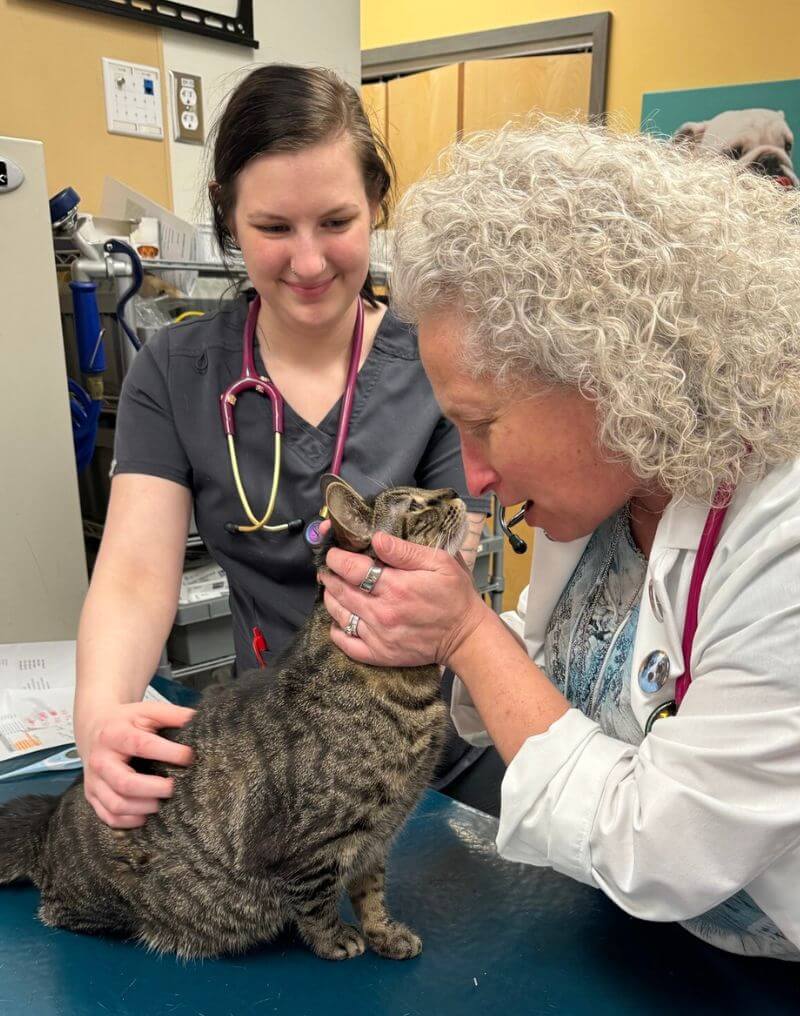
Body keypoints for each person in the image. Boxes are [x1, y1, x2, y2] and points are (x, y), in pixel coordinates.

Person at [319, 120, 800, 960]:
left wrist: (466, 633)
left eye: (482, 426)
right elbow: (558, 686)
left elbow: (664, 845)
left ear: (609, 374)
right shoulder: (602, 491)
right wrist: (430, 641)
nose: (472, 477)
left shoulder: (779, 527)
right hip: (639, 950)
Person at [74, 64, 489, 831]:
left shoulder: (438, 366)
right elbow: (134, 577)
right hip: (266, 750)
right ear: (228, 220)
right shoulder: (176, 372)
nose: (308, 262)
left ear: (376, 209)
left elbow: (440, 584)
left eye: (337, 222)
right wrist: (101, 718)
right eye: (273, 228)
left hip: (420, 758)